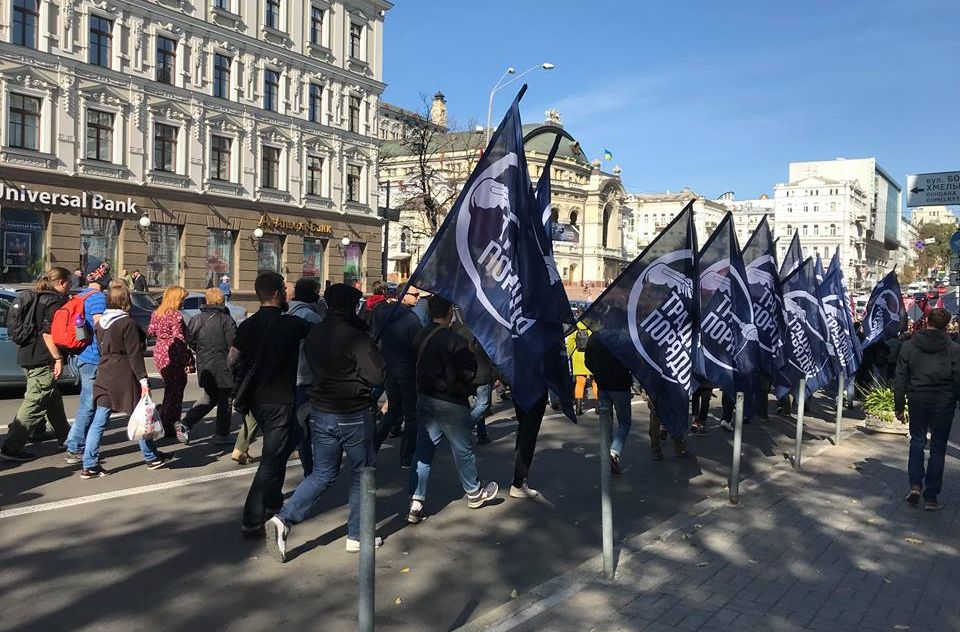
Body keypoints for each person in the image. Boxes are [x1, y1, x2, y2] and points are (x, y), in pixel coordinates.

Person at [264, 284, 385, 562]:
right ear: (351, 306)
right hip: (352, 412)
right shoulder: (357, 336)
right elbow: (377, 376)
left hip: (321, 410)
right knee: (362, 472)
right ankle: (357, 534)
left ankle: (284, 519)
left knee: (321, 473)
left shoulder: (317, 331)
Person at [406, 295, 498, 524]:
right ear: (449, 313)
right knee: (462, 449)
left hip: (425, 396)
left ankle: (416, 501)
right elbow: (468, 371)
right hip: (449, 401)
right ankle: (474, 492)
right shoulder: (454, 340)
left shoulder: (421, 335)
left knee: (423, 451)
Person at [234, 272, 312, 536]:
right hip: (280, 400)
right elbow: (319, 334)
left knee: (280, 450)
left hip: (256, 401)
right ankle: (252, 518)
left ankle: (272, 502)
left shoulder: (246, 325)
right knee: (270, 459)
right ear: (278, 294)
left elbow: (232, 358)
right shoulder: (291, 324)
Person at [79, 283, 167, 475]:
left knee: (99, 419)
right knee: (141, 414)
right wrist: (143, 380)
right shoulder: (127, 323)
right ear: (126, 301)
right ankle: (151, 457)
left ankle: (89, 464)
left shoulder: (101, 322)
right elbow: (134, 354)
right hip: (123, 374)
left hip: (104, 371)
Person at [0, 268, 72, 462]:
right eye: (70, 282)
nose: (71, 286)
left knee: (51, 395)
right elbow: (48, 334)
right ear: (62, 282)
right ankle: (12, 445)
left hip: (27, 354)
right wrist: (58, 359)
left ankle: (66, 436)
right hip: (42, 357)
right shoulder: (54, 301)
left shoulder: (36, 296)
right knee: (36, 399)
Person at [894, 308, 960, 511]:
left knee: (917, 442)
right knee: (938, 448)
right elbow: (958, 379)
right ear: (947, 325)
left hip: (917, 400)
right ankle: (931, 497)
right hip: (944, 402)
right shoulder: (954, 349)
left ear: (927, 321)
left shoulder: (909, 346)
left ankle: (915, 486)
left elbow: (900, 378)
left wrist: (899, 405)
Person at [177, 288, 237, 446]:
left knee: (210, 397)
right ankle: (221, 434)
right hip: (224, 365)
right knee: (225, 400)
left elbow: (190, 340)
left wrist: (201, 351)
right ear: (221, 301)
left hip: (205, 365)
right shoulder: (226, 319)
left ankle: (186, 422)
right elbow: (234, 344)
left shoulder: (196, 319)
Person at [63, 265, 110, 467]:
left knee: (87, 402)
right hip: (93, 357)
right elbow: (100, 327)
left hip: (82, 354)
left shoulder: (81, 295)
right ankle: (74, 446)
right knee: (89, 404)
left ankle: (75, 442)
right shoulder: (98, 298)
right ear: (103, 279)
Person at [373, 285, 422, 466]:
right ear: (403, 295)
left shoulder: (384, 314)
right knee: (411, 413)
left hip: (388, 368)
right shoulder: (412, 319)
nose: (418, 298)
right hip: (407, 370)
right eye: (414, 294)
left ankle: (373, 446)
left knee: (393, 409)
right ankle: (406, 456)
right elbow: (417, 348)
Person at [287, 277, 326, 475]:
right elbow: (322, 350)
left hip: (286, 379)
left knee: (295, 426)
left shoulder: (285, 312)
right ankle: (310, 469)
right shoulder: (311, 318)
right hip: (305, 378)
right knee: (305, 428)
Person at [585, 333, 634, 475]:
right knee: (625, 422)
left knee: (606, 423)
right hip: (621, 385)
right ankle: (614, 452)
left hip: (603, 385)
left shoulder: (595, 336)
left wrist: (598, 372)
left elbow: (587, 361)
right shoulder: (625, 336)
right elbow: (633, 360)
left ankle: (609, 455)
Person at [149, 286, 194, 438]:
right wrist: (187, 360)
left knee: (170, 389)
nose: (183, 302)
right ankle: (169, 423)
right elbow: (179, 339)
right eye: (182, 299)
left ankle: (164, 418)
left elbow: (151, 331)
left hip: (160, 352)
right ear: (176, 299)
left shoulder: (157, 313)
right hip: (173, 354)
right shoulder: (176, 316)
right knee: (176, 391)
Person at [566, 321, 595, 415]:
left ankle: (578, 407)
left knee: (580, 382)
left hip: (578, 357)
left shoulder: (574, 328)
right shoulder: (591, 327)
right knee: (595, 381)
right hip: (591, 356)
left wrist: (571, 354)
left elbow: (570, 343)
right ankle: (598, 406)